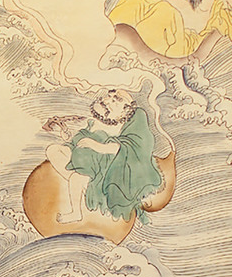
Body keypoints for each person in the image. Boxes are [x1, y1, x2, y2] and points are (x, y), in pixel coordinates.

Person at [46, 88, 162, 223]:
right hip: (88, 159)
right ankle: (85, 186)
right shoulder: (98, 120)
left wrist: (96, 146)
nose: (109, 103)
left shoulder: (134, 118)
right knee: (53, 150)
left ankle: (78, 207)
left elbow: (130, 146)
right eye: (108, 101)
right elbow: (81, 139)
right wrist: (68, 137)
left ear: (125, 107)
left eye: (114, 100)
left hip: (111, 166)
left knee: (76, 178)